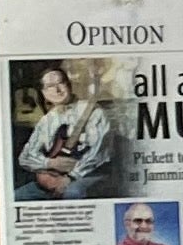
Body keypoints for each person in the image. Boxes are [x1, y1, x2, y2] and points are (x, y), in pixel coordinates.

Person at [16, 61, 124, 201]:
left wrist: (71, 177)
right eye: (50, 86)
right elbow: (25, 157)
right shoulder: (47, 120)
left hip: (88, 174)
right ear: (44, 93)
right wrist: (49, 163)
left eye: (61, 83)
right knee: (18, 196)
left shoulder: (93, 111)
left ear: (69, 85)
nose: (57, 90)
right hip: (52, 178)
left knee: (72, 194)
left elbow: (99, 153)